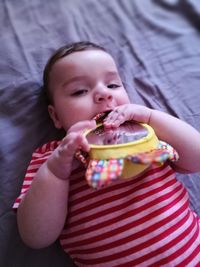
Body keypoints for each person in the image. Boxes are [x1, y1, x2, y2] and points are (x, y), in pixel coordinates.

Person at [13, 41, 200, 266]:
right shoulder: (52, 158)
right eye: (79, 91)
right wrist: (56, 172)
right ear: (55, 117)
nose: (103, 94)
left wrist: (151, 117)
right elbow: (36, 237)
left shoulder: (145, 134)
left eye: (112, 85)